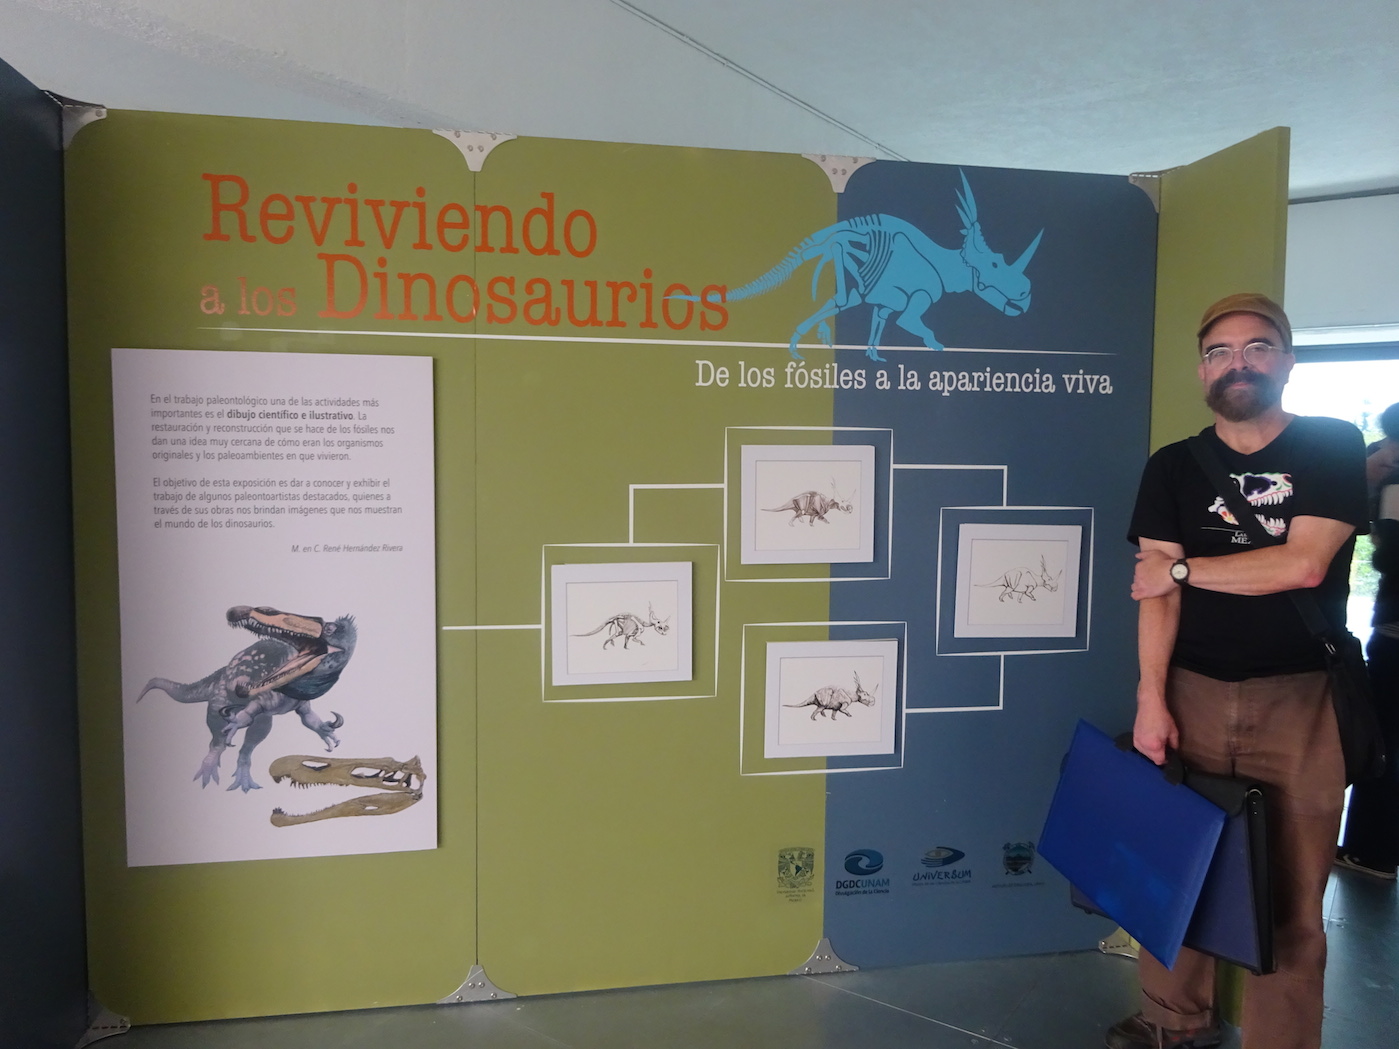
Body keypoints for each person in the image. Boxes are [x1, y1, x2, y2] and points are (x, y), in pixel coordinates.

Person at [1111, 292, 1368, 1049]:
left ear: (1286, 361)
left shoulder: (1330, 444)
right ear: (1202, 370)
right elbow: (1151, 597)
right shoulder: (1173, 466)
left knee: (1290, 896)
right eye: (1219, 351)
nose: (1237, 363)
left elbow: (1302, 564)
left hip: (1301, 700)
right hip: (1188, 690)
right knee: (1175, 868)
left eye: (1257, 347)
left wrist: (1182, 569)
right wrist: (1150, 697)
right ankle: (1171, 1022)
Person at [1335, 401, 1399, 880]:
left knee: (1385, 741)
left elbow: (1389, 560)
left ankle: (1371, 851)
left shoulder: (1395, 483)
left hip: (1396, 634)